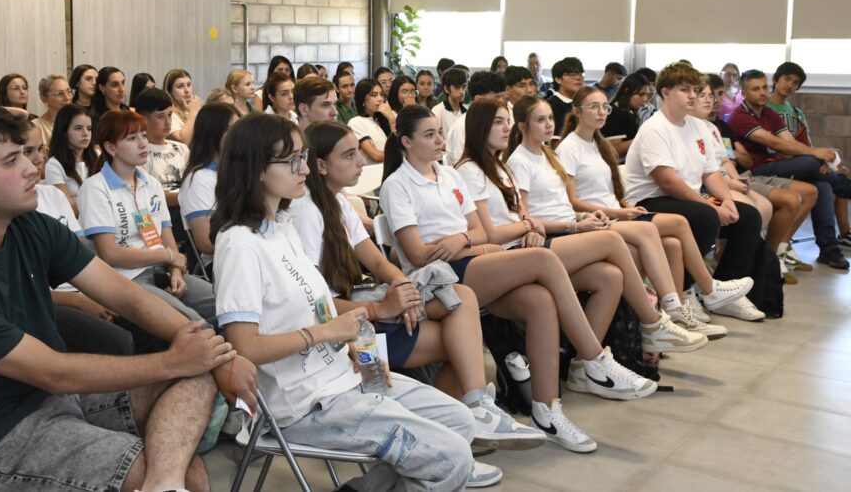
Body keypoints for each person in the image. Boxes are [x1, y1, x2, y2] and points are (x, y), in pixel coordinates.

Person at [0, 105, 257, 492]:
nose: (32, 167)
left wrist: (218, 356)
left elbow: (124, 294)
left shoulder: (27, 226)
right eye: (12, 160)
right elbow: (54, 370)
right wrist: (172, 359)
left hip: (53, 402)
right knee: (189, 466)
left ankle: (162, 485)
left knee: (196, 372)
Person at [213, 113, 486, 490]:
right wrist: (326, 333)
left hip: (342, 377)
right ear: (257, 168)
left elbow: (320, 305)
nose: (304, 169)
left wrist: (359, 348)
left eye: (303, 157)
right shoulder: (241, 244)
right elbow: (243, 346)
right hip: (306, 404)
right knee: (451, 459)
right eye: (292, 160)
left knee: (460, 422)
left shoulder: (282, 228)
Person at [382, 105, 660, 452]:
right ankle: (594, 359)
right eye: (429, 135)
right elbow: (419, 254)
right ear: (406, 142)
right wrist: (472, 245)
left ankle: (548, 411)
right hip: (436, 281)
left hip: (470, 264)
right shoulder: (398, 185)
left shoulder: (448, 175)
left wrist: (463, 242)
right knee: (543, 258)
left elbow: (480, 231)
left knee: (540, 301)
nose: (440, 140)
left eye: (440, 132)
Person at [297, 121, 546, 454]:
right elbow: (315, 305)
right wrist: (380, 309)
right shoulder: (306, 212)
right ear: (321, 166)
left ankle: (464, 420)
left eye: (358, 152)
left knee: (463, 302)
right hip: (346, 331)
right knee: (461, 338)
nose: (360, 163)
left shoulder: (339, 204)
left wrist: (404, 288)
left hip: (363, 315)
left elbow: (381, 264)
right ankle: (456, 429)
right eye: (349, 155)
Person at [506, 95, 708, 348]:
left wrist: (585, 216)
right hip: (554, 235)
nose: (548, 125)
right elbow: (527, 217)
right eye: (540, 120)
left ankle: (592, 354)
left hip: (572, 226)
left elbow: (561, 204)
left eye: (549, 118)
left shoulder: (548, 153)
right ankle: (658, 317)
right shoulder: (520, 160)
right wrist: (576, 225)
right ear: (523, 127)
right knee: (636, 233)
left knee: (613, 273)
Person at [559, 87, 753, 336]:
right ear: (576, 111)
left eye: (604, 106)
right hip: (597, 218)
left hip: (616, 211)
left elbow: (609, 191)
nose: (601, 112)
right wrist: (616, 212)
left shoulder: (599, 144)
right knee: (680, 223)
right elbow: (572, 200)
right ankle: (707, 289)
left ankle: (679, 314)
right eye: (593, 106)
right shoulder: (569, 147)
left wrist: (624, 206)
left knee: (673, 244)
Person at [623, 63, 767, 320]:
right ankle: (690, 289)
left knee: (747, 216)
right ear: (665, 93)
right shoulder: (655, 129)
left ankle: (724, 291)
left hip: (689, 196)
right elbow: (667, 182)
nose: (692, 95)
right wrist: (711, 206)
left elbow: (711, 173)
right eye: (684, 90)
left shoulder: (698, 126)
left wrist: (725, 201)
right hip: (651, 200)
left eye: (695, 90)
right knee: (704, 215)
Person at [78, 110, 216, 325]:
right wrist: (168, 257)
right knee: (196, 325)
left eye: (143, 135)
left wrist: (176, 272)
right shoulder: (95, 187)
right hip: (126, 279)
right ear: (110, 147)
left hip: (163, 270)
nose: (143, 144)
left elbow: (166, 237)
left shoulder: (150, 184)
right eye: (132, 138)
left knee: (225, 306)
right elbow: (110, 254)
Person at [22, 122, 136, 357]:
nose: (37, 159)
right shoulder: (9, 208)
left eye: (40, 150)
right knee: (117, 340)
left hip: (84, 287)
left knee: (149, 322)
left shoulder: (53, 195)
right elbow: (25, 289)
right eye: (26, 151)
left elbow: (84, 254)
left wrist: (103, 293)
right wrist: (79, 301)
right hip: (47, 302)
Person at [728, 69, 851, 270]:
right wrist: (815, 153)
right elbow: (775, 143)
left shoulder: (770, 114)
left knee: (821, 186)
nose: (762, 92)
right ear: (744, 92)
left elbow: (789, 142)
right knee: (814, 163)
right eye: (755, 89)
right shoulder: (739, 116)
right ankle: (845, 188)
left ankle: (821, 249)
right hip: (754, 171)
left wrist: (818, 155)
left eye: (764, 87)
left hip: (776, 166)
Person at [692, 77, 813, 274]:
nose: (710, 101)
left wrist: (736, 179)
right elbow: (702, 172)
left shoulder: (712, 128)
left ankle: (741, 262)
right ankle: (722, 267)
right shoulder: (688, 127)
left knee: (763, 206)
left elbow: (725, 161)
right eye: (702, 96)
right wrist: (730, 185)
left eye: (711, 96)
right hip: (702, 189)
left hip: (723, 179)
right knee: (747, 211)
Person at [766, 62, 850, 249]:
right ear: (775, 79)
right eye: (787, 79)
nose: (790, 85)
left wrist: (826, 158)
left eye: (795, 83)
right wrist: (813, 159)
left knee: (824, 184)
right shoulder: (765, 109)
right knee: (829, 177)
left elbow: (808, 145)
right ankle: (843, 186)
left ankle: (829, 248)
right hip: (778, 163)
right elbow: (772, 146)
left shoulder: (796, 112)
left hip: (803, 162)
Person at [178, 104, 238, 268]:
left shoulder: (235, 172)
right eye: (229, 129)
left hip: (244, 254)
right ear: (211, 134)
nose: (237, 135)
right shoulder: (199, 179)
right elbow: (206, 242)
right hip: (222, 263)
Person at [134, 89, 191, 238]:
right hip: (159, 217)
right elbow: (147, 199)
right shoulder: (139, 153)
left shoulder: (181, 149)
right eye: (160, 117)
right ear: (143, 119)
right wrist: (189, 196)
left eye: (170, 115)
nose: (168, 122)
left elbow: (193, 183)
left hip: (187, 209)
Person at [43, 103, 97, 215]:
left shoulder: (98, 155)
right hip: (75, 223)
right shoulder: (54, 165)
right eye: (78, 128)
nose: (85, 133)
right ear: (64, 131)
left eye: (89, 128)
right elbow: (67, 206)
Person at [445, 71, 505, 166]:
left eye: (502, 97)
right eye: (497, 97)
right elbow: (461, 166)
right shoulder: (462, 127)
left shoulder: (492, 122)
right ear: (478, 100)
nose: (501, 102)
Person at [603, 73, 652, 159]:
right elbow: (614, 150)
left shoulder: (631, 111)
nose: (645, 99)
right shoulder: (616, 113)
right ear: (627, 92)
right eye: (641, 94)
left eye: (647, 95)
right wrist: (642, 138)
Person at [349, 78, 394, 165]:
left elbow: (395, 145)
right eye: (373, 95)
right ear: (362, 98)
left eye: (381, 94)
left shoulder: (379, 120)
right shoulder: (356, 122)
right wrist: (399, 154)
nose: (380, 99)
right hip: (370, 174)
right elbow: (375, 155)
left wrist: (391, 119)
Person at [34, 73, 73, 152]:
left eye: (69, 92)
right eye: (59, 93)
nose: (67, 98)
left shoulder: (77, 122)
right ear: (44, 98)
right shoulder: (36, 127)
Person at [163, 69, 202, 145]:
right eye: (180, 86)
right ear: (170, 91)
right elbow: (183, 140)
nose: (187, 90)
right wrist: (193, 112)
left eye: (189, 85)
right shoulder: (169, 114)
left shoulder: (197, 109)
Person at [548, 57, 585, 136]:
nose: (579, 78)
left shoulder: (582, 104)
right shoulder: (550, 106)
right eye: (572, 74)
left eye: (580, 74)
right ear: (558, 79)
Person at [431, 67, 467, 136]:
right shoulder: (437, 110)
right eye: (457, 87)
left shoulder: (468, 111)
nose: (462, 92)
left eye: (464, 87)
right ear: (446, 89)